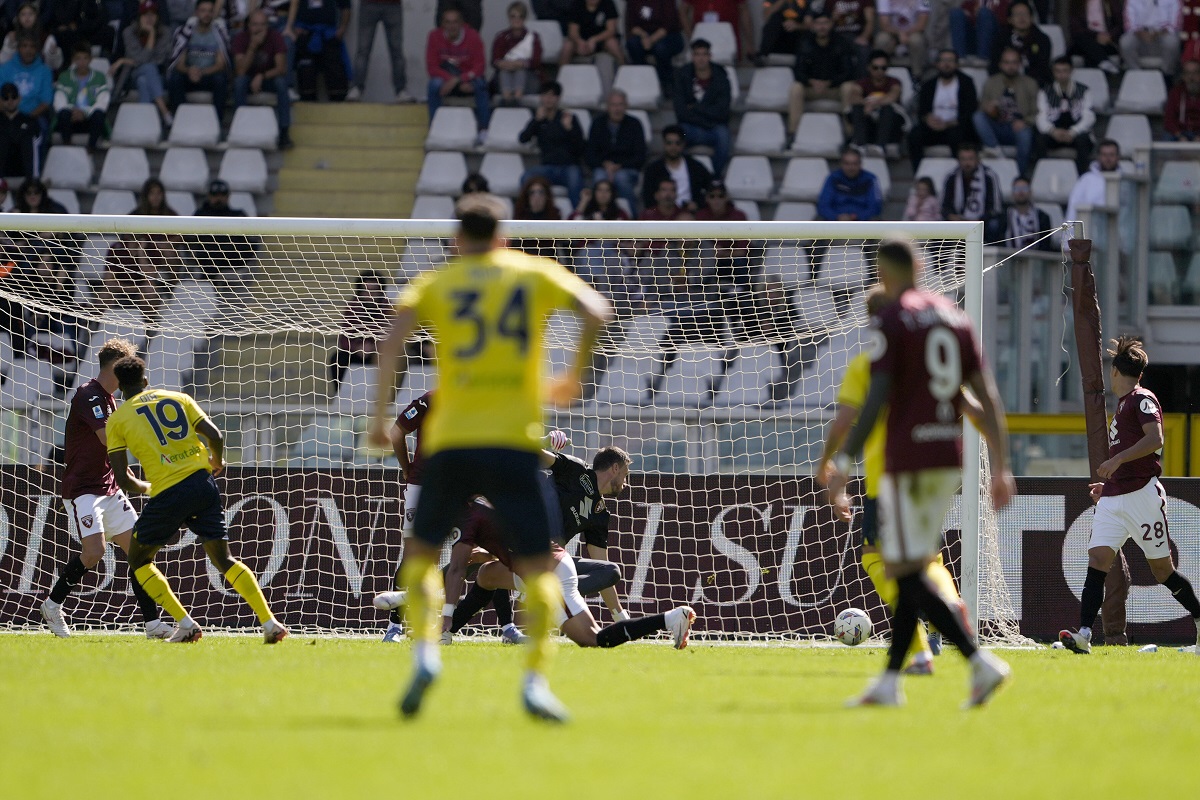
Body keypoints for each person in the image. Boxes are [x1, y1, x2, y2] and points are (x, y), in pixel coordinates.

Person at [367, 192, 614, 722]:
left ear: (458, 241)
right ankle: (534, 682)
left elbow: (391, 340)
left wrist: (375, 417)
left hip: (452, 446)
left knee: (421, 556)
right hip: (512, 445)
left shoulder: (439, 282)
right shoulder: (531, 272)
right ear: (503, 238)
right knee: (538, 565)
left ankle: (426, 653)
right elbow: (597, 310)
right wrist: (573, 375)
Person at [827, 237, 1015, 707]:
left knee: (904, 572)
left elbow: (876, 395)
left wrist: (844, 461)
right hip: (946, 456)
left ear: (884, 272)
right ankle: (891, 682)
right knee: (910, 567)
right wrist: (1002, 464)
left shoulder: (894, 317)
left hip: (906, 460)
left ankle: (978, 660)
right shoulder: (954, 315)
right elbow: (985, 395)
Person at [816, 287, 961, 675]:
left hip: (889, 480)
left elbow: (846, 422)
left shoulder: (870, 365)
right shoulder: (930, 363)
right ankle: (941, 616)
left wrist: (829, 465)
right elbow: (969, 404)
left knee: (879, 561)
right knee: (924, 561)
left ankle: (924, 639)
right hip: (932, 475)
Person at [107, 356, 289, 644]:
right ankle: (269, 622)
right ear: (145, 381)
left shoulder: (117, 419)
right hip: (203, 484)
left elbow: (124, 477)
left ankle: (185, 623)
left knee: (139, 560)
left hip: (167, 492)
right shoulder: (179, 397)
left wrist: (147, 488)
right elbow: (214, 435)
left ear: (119, 387)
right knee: (224, 558)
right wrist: (217, 460)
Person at [1059, 337, 1200, 656]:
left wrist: (1117, 460)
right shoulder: (1123, 405)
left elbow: (1156, 439)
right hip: (1114, 497)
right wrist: (1107, 487)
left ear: (1114, 373)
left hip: (1141, 497)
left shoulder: (1142, 398)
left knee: (1162, 571)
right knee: (1097, 561)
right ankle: (1083, 635)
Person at [38, 340, 172, 641]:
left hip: (109, 487)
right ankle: (52, 604)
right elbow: (106, 438)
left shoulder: (111, 400)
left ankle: (152, 624)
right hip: (84, 489)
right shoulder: (88, 394)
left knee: (139, 554)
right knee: (94, 552)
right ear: (115, 367)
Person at [445, 497, 696, 650]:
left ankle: (670, 618)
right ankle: (453, 630)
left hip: (550, 574)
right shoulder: (483, 504)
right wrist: (487, 555)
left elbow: (456, 569)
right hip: (542, 564)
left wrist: (443, 620)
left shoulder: (466, 516)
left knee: (594, 639)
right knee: (487, 575)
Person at [787, 12, 856, 146]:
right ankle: (793, 134)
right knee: (795, 88)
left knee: (849, 88)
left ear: (831, 24)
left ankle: (851, 135)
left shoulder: (841, 42)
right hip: (812, 88)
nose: (822, 27)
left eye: (825, 23)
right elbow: (798, 71)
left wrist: (830, 82)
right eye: (818, 23)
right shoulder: (804, 42)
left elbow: (848, 72)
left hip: (834, 88)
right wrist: (811, 82)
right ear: (813, 26)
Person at [906, 49, 977, 172]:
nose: (946, 64)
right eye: (943, 61)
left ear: (956, 64)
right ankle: (919, 173)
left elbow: (970, 110)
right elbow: (922, 111)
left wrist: (949, 123)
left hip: (956, 126)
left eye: (950, 61)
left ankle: (959, 173)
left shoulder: (966, 83)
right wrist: (928, 119)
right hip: (933, 128)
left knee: (958, 135)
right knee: (914, 135)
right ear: (937, 64)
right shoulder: (929, 84)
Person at [425, 6, 490, 137]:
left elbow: (480, 66)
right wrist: (450, 79)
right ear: (442, 24)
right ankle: (434, 126)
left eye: (455, 22)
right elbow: (432, 67)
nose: (451, 26)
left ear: (461, 23)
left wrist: (458, 79)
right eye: (447, 22)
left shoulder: (473, 36)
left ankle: (483, 129)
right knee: (433, 85)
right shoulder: (434, 36)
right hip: (446, 80)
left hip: (466, 79)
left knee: (481, 86)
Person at [232, 9, 292, 150]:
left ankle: (284, 132)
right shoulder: (241, 38)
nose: (258, 29)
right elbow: (240, 71)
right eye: (254, 24)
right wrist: (252, 47)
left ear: (267, 26)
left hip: (268, 78)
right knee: (239, 82)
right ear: (248, 26)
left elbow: (281, 68)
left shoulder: (275, 36)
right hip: (247, 78)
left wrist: (261, 76)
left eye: (262, 25)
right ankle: (240, 127)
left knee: (281, 83)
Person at [974, 46, 1037, 176]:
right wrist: (988, 108)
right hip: (997, 126)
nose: (1010, 66)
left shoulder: (1030, 83)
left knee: (1025, 133)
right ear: (1001, 64)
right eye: (1007, 63)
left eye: (1014, 63)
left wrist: (1025, 121)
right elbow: (981, 108)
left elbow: (1038, 112)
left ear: (1019, 64)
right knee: (978, 117)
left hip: (1018, 127)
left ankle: (1020, 175)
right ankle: (995, 151)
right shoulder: (991, 82)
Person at [672, 38, 732, 176]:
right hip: (690, 128)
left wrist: (696, 108)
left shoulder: (721, 77)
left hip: (714, 128)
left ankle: (714, 176)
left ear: (710, 56)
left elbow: (722, 111)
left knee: (724, 136)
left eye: (704, 54)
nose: (701, 58)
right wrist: (705, 116)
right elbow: (681, 112)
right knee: (678, 136)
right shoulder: (682, 75)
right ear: (692, 56)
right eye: (697, 54)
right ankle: (684, 173)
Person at [109, 0, 174, 128]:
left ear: (158, 17)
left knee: (144, 81)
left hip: (159, 74)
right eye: (145, 15)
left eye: (153, 15)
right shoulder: (128, 32)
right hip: (133, 74)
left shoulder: (165, 32)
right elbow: (143, 60)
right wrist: (151, 36)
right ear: (139, 17)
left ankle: (146, 125)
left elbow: (159, 60)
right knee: (148, 68)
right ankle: (165, 112)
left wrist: (125, 60)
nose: (149, 18)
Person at [519, 80, 584, 206]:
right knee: (526, 177)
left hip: (568, 166)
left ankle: (578, 216)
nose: (548, 99)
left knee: (575, 179)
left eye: (552, 95)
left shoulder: (568, 118)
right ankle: (527, 214)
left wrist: (570, 129)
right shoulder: (539, 119)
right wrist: (536, 121)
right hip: (547, 167)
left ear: (558, 98)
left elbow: (581, 147)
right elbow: (523, 139)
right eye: (545, 95)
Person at [326, 270, 391, 394]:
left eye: (374, 291)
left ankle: (388, 397)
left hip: (379, 354)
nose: (370, 295)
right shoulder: (352, 309)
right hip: (356, 353)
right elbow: (344, 339)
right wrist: (358, 348)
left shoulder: (389, 309)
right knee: (337, 358)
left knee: (396, 358)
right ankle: (340, 394)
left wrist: (374, 347)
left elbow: (392, 337)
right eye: (366, 291)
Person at [586, 88, 646, 215]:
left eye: (620, 105)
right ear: (607, 106)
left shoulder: (635, 124)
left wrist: (620, 166)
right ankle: (596, 217)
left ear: (626, 106)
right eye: (613, 105)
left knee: (621, 178)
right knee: (600, 178)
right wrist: (605, 164)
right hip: (602, 168)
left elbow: (640, 156)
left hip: (627, 168)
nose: (617, 109)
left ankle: (632, 220)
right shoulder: (597, 124)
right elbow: (590, 154)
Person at [166, 0, 230, 117]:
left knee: (220, 79)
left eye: (210, 11)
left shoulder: (218, 34)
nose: (207, 14)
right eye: (203, 11)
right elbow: (179, 63)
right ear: (196, 13)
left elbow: (221, 64)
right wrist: (189, 71)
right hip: (190, 74)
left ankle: (216, 120)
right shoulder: (186, 33)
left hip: (208, 75)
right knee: (175, 78)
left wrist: (201, 72)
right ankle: (180, 118)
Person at [1035, 56, 1095, 174]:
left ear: (1072, 71)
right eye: (1058, 71)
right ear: (1053, 72)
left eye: (1065, 71)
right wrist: (1052, 131)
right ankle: (1042, 174)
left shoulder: (1084, 90)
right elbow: (1041, 116)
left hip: (1076, 133)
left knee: (1083, 141)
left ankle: (1082, 177)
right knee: (1039, 140)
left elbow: (1089, 117)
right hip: (1054, 133)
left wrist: (1073, 131)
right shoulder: (1045, 91)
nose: (1061, 75)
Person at [346, 0, 413, 104]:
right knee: (363, 49)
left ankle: (401, 90)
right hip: (369, 4)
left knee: (396, 50)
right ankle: (357, 88)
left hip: (392, 5)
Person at [285, 0, 351, 102]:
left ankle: (338, 99)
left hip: (329, 33)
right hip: (305, 31)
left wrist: (343, 28)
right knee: (306, 72)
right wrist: (294, 26)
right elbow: (294, 4)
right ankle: (307, 99)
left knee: (335, 71)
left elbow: (346, 6)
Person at [0, 33, 53, 155]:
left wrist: (25, 118)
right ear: (18, 48)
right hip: (6, 114)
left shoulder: (45, 71)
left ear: (37, 49)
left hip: (33, 116)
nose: (28, 50)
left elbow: (45, 102)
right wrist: (11, 116)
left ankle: (36, 169)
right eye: (24, 46)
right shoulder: (5, 69)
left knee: (42, 127)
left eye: (32, 46)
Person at [845, 49, 904, 157]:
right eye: (875, 67)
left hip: (890, 124)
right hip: (869, 122)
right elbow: (853, 96)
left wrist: (872, 104)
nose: (879, 71)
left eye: (883, 68)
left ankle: (880, 146)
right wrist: (865, 104)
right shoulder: (862, 82)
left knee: (887, 108)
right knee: (857, 108)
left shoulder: (894, 82)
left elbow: (892, 96)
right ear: (869, 67)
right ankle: (860, 144)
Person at [941, 141, 1005, 241]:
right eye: (963, 159)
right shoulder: (951, 177)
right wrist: (952, 217)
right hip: (957, 221)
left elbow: (996, 208)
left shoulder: (989, 176)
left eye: (970, 159)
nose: (967, 163)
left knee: (995, 225)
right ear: (958, 160)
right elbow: (944, 206)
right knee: (937, 226)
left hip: (982, 222)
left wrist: (979, 220)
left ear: (978, 160)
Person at [53, 41, 109, 153]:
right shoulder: (65, 77)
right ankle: (67, 145)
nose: (82, 62)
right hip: (70, 118)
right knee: (63, 113)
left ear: (90, 59)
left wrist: (85, 112)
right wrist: (73, 111)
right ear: (73, 60)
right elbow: (59, 100)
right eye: (78, 58)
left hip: (89, 119)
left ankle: (91, 148)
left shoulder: (100, 77)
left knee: (99, 114)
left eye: (85, 58)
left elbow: (102, 102)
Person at [641, 124, 713, 211]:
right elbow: (648, 198)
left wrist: (697, 204)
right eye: (669, 143)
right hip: (664, 216)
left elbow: (711, 188)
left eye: (677, 143)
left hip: (691, 214)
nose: (673, 147)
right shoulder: (653, 169)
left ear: (683, 144)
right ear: (664, 144)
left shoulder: (695, 167)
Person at [625, 0, 684, 94]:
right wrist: (644, 36)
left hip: (669, 35)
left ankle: (665, 82)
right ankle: (643, 79)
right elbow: (631, 25)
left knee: (660, 48)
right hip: (643, 34)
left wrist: (651, 40)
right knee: (632, 44)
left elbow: (668, 25)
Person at [491, 1, 542, 107]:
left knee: (520, 70)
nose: (517, 19)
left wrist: (520, 64)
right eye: (513, 16)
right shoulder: (501, 37)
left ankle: (517, 100)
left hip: (528, 79)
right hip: (504, 75)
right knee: (505, 70)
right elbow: (495, 60)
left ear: (525, 18)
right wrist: (507, 64)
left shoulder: (533, 37)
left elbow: (536, 61)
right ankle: (507, 99)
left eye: (520, 16)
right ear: (509, 17)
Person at [989, 0, 1051, 86]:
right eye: (1017, 14)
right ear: (1010, 20)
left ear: (1032, 18)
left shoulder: (1042, 39)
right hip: (1005, 82)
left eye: (1025, 14)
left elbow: (1042, 68)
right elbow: (994, 66)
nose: (1022, 18)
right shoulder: (1001, 38)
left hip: (1033, 84)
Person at [817, 146, 884, 223]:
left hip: (862, 221)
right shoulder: (833, 178)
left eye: (855, 164)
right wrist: (836, 217)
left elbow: (875, 207)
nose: (851, 168)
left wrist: (855, 217)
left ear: (860, 164)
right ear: (841, 164)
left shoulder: (870, 179)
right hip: (836, 220)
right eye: (847, 164)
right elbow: (823, 205)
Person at [681, 0, 755, 62]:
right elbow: (683, 12)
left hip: (727, 42)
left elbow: (744, 11)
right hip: (701, 43)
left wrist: (749, 43)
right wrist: (692, 37)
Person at [1121, 0, 1181, 77]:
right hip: (1140, 34)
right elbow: (1129, 25)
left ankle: (1166, 74)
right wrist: (1141, 33)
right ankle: (1135, 73)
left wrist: (1157, 33)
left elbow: (1174, 25)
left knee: (1172, 42)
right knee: (1126, 42)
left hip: (1162, 33)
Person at [561, 0, 624, 69]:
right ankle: (561, 74)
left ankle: (624, 68)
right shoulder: (576, 4)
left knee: (612, 43)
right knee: (567, 46)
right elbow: (572, 31)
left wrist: (594, 40)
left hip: (602, 39)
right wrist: (579, 41)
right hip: (581, 40)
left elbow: (611, 30)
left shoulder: (608, 3)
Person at [873, 0, 929, 78]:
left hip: (914, 31)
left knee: (916, 41)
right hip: (892, 33)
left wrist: (906, 33)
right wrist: (899, 33)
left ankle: (917, 76)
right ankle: (881, 74)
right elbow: (884, 24)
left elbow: (922, 23)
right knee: (881, 40)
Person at [0, 2, 61, 70]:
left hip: (39, 75)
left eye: (30, 14)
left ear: (37, 17)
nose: (27, 17)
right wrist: (10, 46)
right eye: (23, 14)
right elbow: (3, 62)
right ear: (18, 18)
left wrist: (52, 54)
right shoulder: (12, 36)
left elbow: (55, 66)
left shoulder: (47, 38)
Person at [1069, 0, 1122, 72]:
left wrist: (1110, 35)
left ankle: (1102, 65)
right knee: (1082, 39)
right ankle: (1104, 61)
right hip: (1085, 40)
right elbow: (1075, 28)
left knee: (1090, 53)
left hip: (1106, 42)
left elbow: (1120, 24)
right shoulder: (1077, 3)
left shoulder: (1110, 2)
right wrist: (1096, 35)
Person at [1003, 176, 1053, 249]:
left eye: (1024, 188)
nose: (1021, 192)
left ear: (1030, 191)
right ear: (1012, 193)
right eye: (1017, 189)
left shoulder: (1042, 218)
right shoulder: (1003, 218)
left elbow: (1045, 246)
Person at [0, 81, 37, 179]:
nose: (10, 101)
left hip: (22, 168)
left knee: (26, 139)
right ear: (1, 100)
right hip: (3, 168)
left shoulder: (29, 120)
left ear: (19, 98)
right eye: (6, 98)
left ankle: (30, 180)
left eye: (14, 97)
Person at [949, 0, 1002, 65]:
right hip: (974, 37)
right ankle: (960, 56)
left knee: (984, 13)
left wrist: (984, 17)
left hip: (994, 40)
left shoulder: (1002, 2)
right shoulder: (972, 2)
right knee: (955, 12)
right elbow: (965, 14)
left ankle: (983, 57)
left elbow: (1004, 20)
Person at [1164, 59, 1200, 141]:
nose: (1191, 77)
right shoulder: (1176, 92)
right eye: (1187, 73)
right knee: (1167, 136)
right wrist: (1179, 136)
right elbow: (1169, 120)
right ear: (1183, 76)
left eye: (1195, 73)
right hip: (1180, 132)